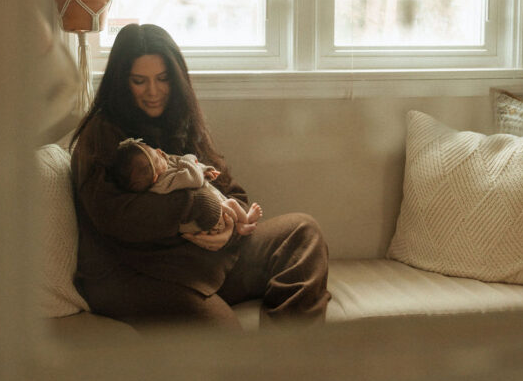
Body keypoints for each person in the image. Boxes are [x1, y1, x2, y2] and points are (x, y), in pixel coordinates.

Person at [70, 23, 330, 330]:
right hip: (137, 275)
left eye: (163, 79)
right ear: (121, 82)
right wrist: (198, 207)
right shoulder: (99, 136)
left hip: (202, 261)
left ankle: (285, 361)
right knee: (224, 338)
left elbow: (231, 191)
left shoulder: (179, 120)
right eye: (139, 81)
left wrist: (229, 224)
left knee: (301, 232)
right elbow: (117, 217)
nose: (153, 92)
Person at [110, 137, 263, 235]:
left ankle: (239, 225)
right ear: (155, 176)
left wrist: (205, 169)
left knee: (231, 203)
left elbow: (191, 170)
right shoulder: (164, 182)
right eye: (157, 157)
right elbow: (193, 178)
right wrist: (188, 159)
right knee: (231, 204)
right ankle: (242, 223)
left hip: (213, 216)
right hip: (205, 223)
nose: (160, 152)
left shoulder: (160, 171)